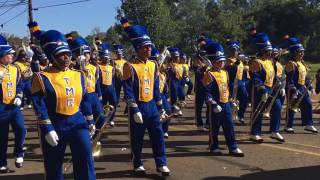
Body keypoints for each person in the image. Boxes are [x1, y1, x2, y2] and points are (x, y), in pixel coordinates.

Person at [29, 21, 96, 180]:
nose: (66, 57)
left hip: (77, 121)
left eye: (67, 53)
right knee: (54, 164)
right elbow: (39, 106)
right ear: (52, 57)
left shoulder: (79, 75)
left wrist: (90, 120)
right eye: (61, 54)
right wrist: (47, 128)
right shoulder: (41, 77)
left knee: (85, 159)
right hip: (55, 123)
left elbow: (85, 100)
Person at [121, 18, 171, 176]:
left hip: (151, 106)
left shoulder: (153, 64)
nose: (149, 49)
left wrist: (161, 106)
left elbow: (156, 88)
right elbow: (127, 90)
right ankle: (137, 163)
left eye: (150, 46)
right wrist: (134, 109)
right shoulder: (129, 66)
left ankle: (161, 163)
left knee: (158, 136)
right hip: (138, 107)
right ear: (138, 48)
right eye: (146, 47)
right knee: (137, 138)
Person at [202, 42, 244, 156]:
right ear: (213, 62)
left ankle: (233, 147)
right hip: (215, 106)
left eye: (222, 61)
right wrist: (213, 104)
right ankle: (213, 146)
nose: (221, 63)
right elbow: (207, 92)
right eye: (219, 61)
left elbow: (226, 88)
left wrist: (231, 101)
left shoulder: (225, 73)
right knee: (214, 128)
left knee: (229, 126)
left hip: (226, 105)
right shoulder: (209, 74)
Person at [249, 33, 285, 143]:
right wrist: (262, 89)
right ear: (261, 51)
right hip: (260, 90)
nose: (270, 53)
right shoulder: (256, 62)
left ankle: (275, 130)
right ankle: (255, 133)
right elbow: (255, 78)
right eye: (267, 51)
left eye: (270, 50)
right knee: (258, 110)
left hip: (271, 89)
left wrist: (280, 85)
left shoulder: (270, 62)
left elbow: (273, 76)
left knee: (277, 107)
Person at [0, 35, 26, 173]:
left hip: (14, 107)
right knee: (2, 137)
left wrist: (19, 96)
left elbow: (20, 85)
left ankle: (19, 153)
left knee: (21, 130)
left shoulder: (15, 68)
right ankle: (2, 163)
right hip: (1, 108)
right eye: (8, 54)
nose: (11, 56)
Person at [284, 37, 318, 133]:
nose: (302, 53)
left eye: (302, 51)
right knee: (292, 107)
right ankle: (288, 126)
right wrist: (293, 88)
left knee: (308, 104)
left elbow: (305, 77)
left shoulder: (302, 63)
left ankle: (309, 124)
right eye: (300, 52)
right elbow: (289, 78)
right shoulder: (291, 63)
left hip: (302, 87)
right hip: (293, 88)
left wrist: (310, 86)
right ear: (294, 52)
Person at [225, 40, 248, 124]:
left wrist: (245, 63)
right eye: (232, 50)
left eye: (235, 50)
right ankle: (230, 116)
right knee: (231, 100)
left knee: (245, 98)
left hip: (240, 82)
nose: (234, 52)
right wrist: (238, 61)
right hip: (231, 82)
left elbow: (243, 70)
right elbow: (231, 70)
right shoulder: (228, 60)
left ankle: (240, 116)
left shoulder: (240, 60)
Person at [97, 42, 117, 127]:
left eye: (108, 58)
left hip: (111, 89)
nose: (108, 59)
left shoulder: (112, 68)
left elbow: (113, 80)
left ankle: (111, 119)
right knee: (103, 105)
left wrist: (114, 89)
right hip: (102, 89)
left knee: (114, 103)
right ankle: (103, 119)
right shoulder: (98, 67)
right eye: (106, 58)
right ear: (102, 58)